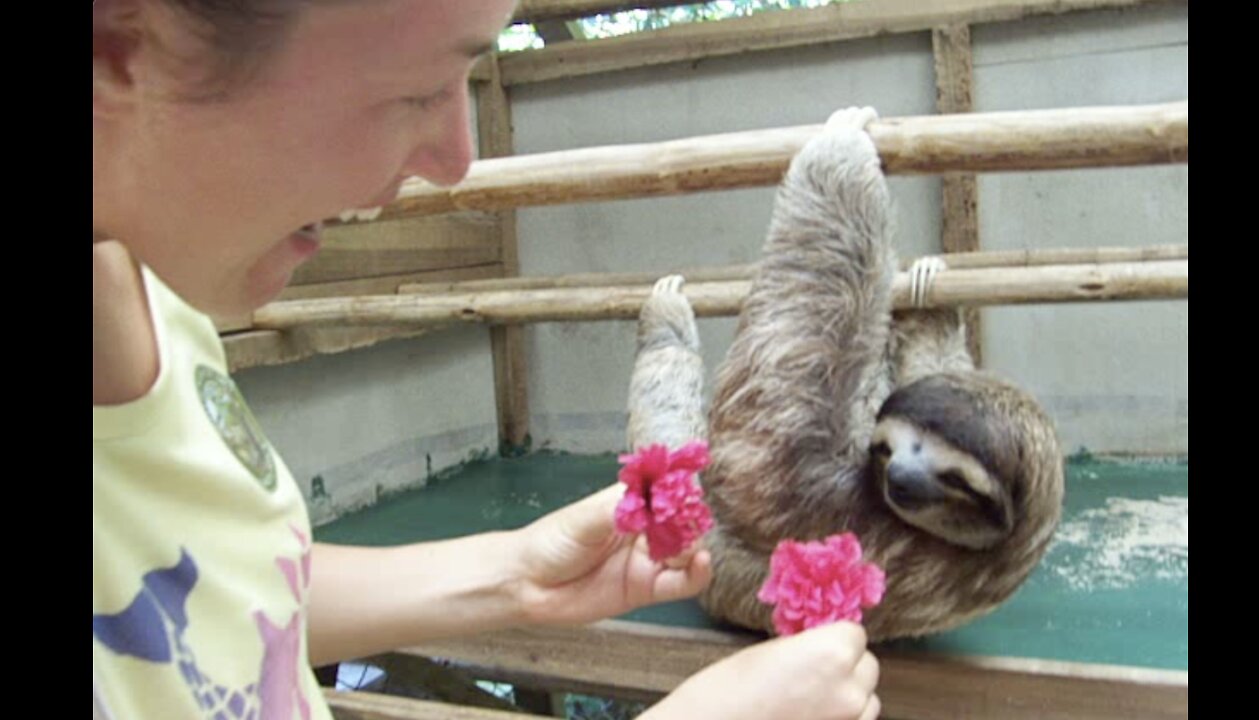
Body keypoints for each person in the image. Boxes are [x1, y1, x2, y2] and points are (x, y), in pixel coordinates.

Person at [91, 2, 882, 718]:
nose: (456, 156)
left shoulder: (160, 290)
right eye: (419, 89)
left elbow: (207, 588)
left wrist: (512, 575)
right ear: (118, 46)